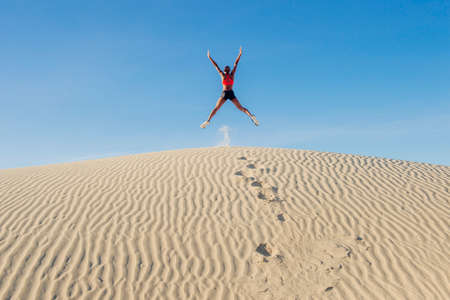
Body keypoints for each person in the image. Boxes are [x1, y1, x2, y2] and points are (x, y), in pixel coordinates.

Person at [200, 47, 259, 128]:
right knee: (218, 108)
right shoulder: (225, 74)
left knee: (238, 108)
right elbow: (217, 66)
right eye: (226, 67)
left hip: (228, 93)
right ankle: (207, 121)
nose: (226, 68)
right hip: (227, 93)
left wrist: (240, 54)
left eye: (227, 67)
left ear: (227, 70)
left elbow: (235, 64)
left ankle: (252, 116)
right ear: (225, 70)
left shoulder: (229, 75)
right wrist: (210, 58)